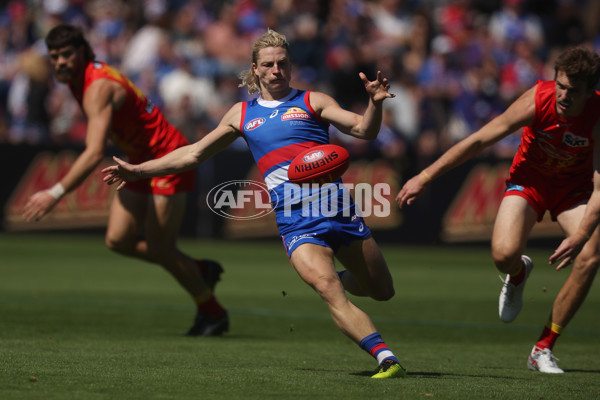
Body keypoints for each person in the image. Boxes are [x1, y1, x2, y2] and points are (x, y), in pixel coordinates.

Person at [102, 29, 405, 379]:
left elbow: (365, 131)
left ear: (290, 67)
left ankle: (338, 277)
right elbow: (194, 153)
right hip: (296, 221)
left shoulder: (314, 101)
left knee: (381, 290)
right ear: (255, 69)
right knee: (328, 290)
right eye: (269, 65)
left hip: (337, 209)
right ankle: (386, 358)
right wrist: (139, 170)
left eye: (283, 64)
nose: (277, 70)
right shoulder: (241, 114)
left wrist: (375, 104)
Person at [396, 46, 600, 374]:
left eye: (573, 91)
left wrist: (584, 236)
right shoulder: (538, 98)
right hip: (529, 181)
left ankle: (543, 348)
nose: (563, 95)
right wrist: (425, 176)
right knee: (503, 255)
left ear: (590, 91)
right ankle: (517, 273)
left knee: (591, 254)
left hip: (573, 191)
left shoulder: (597, 114)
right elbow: (480, 140)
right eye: (560, 85)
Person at [22, 24, 228, 337]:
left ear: (83, 52)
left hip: (167, 158)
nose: (60, 62)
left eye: (66, 54)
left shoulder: (96, 87)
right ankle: (199, 269)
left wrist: (55, 192)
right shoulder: (80, 79)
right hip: (136, 160)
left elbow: (93, 154)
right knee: (118, 240)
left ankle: (212, 311)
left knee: (161, 247)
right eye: (55, 57)